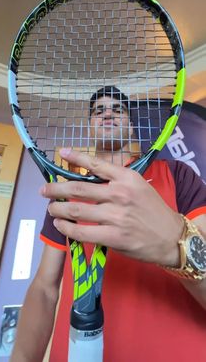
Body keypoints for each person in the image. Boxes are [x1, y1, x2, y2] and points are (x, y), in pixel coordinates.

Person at [11, 86, 206, 362]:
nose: (108, 114)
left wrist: (177, 243)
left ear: (130, 122)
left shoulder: (177, 175)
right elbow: (44, 288)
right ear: (90, 125)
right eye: (98, 111)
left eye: (118, 110)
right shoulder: (69, 194)